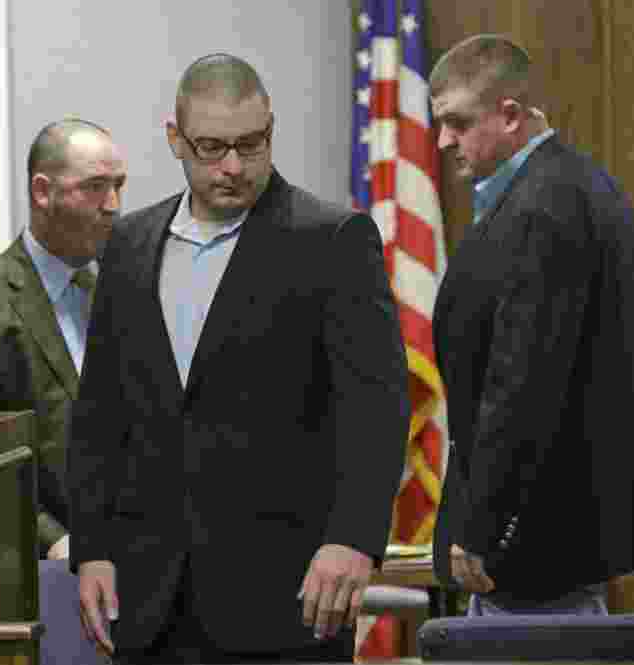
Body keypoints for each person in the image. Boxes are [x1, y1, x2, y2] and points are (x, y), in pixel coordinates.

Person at [69, 53, 410, 663]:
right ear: (175, 139)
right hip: (150, 602)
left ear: (270, 130)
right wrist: (93, 549)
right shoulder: (127, 245)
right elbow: (101, 413)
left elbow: (375, 408)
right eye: (211, 147)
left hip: (288, 595)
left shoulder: (331, 239)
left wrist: (354, 541)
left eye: (251, 145)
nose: (232, 166)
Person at [428, 34, 634, 615]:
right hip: (554, 537)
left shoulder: (545, 206)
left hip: (537, 544)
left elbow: (524, 383)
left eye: (458, 123)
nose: (442, 141)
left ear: (509, 115)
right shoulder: (574, 185)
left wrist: (482, 522)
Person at [0, 119, 127, 560]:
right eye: (94, 187)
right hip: (37, 568)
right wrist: (53, 541)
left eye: (118, 186)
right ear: (42, 192)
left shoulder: (127, 290)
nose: (112, 205)